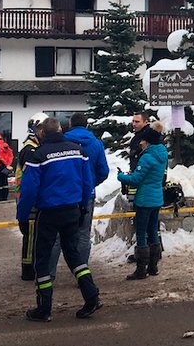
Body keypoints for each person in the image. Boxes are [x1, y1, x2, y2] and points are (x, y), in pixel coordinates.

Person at [16, 117, 100, 321]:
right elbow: (87, 183)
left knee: (42, 260)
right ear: (61, 130)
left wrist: (22, 214)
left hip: (50, 212)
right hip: (72, 210)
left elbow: (29, 190)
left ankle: (44, 308)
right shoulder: (78, 151)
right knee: (73, 255)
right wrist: (81, 207)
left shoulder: (39, 155)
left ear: (42, 133)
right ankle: (91, 296)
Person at [52, 113, 109, 270]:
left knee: (57, 235)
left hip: (63, 195)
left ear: (70, 125)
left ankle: (49, 274)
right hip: (86, 195)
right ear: (87, 125)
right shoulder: (96, 144)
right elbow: (103, 170)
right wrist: (89, 183)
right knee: (84, 234)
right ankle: (82, 272)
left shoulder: (62, 141)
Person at [117, 126, 168, 280]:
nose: (140, 143)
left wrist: (121, 177)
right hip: (156, 199)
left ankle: (141, 269)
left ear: (148, 142)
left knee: (140, 233)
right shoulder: (162, 154)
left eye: (143, 140)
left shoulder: (146, 158)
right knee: (153, 232)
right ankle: (153, 266)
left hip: (144, 200)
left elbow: (136, 180)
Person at [18, 112, 48, 281]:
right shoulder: (30, 150)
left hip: (30, 198)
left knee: (33, 236)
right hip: (30, 200)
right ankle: (28, 270)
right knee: (30, 238)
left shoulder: (31, 147)